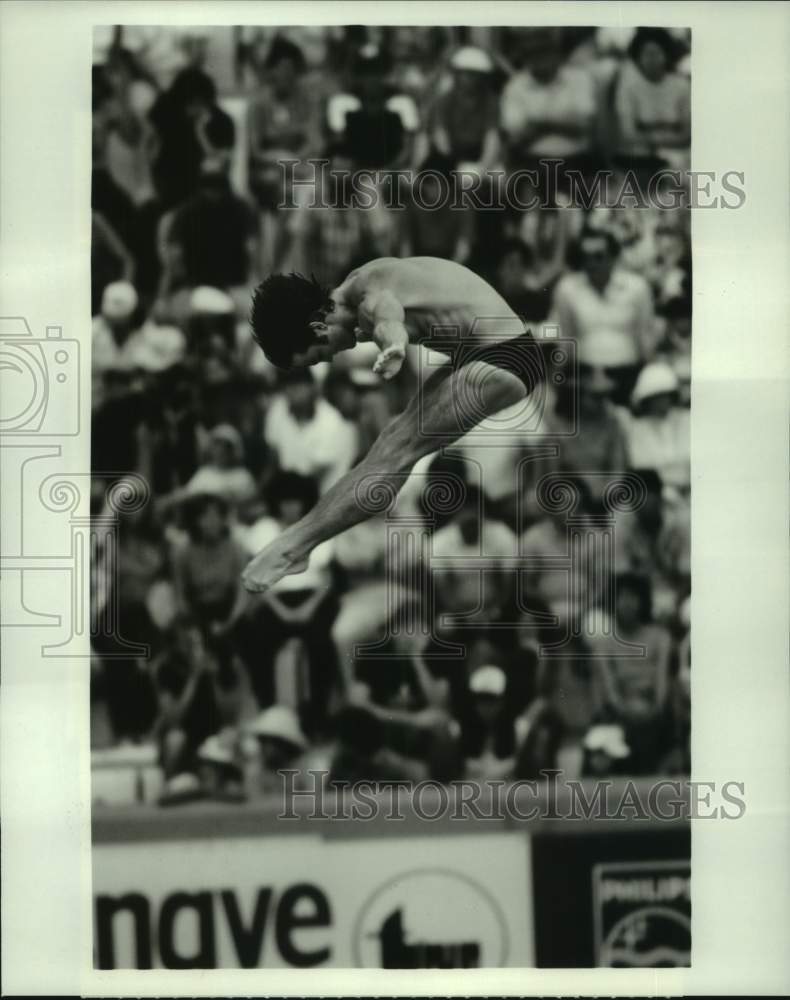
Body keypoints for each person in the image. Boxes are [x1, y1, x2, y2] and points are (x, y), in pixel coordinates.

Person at [243, 255, 543, 594]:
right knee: (390, 445)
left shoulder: (368, 295)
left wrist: (394, 345)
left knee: (395, 450)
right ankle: (298, 543)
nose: (328, 359)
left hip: (505, 356)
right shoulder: (356, 292)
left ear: (317, 327)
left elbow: (388, 317)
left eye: (317, 355)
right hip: (487, 351)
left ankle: (294, 546)